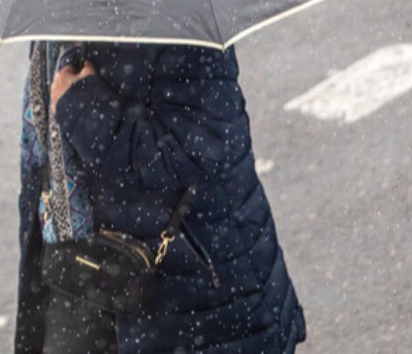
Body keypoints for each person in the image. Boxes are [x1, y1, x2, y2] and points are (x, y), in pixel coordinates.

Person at [15, 41, 306, 353]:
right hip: (83, 271)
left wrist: (83, 107)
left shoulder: (176, 23)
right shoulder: (60, 14)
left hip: (187, 290)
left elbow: (197, 152)